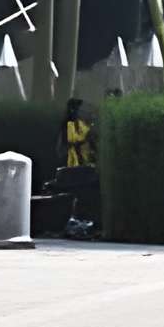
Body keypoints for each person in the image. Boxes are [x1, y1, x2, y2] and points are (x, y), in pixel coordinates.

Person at [60, 96, 99, 235]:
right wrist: (87, 136)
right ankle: (75, 218)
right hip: (75, 161)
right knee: (77, 191)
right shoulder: (69, 123)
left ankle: (83, 217)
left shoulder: (80, 122)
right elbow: (73, 139)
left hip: (85, 160)